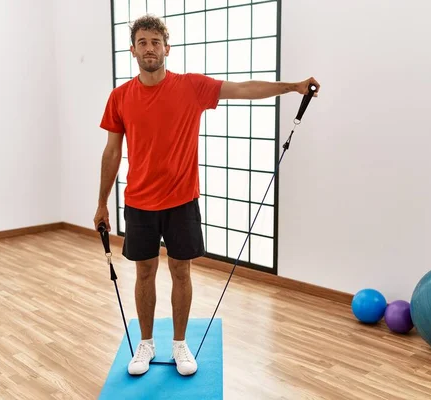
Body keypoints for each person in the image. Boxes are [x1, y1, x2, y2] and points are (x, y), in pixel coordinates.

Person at [93, 14, 319, 377]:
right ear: (132, 50)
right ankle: (147, 343)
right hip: (139, 202)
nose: (149, 48)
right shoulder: (120, 97)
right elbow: (111, 152)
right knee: (144, 272)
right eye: (142, 42)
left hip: (182, 199)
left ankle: (180, 344)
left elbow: (244, 89)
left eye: (155, 42)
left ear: (167, 48)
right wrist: (102, 202)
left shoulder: (191, 87)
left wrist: (292, 87)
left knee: (181, 271)